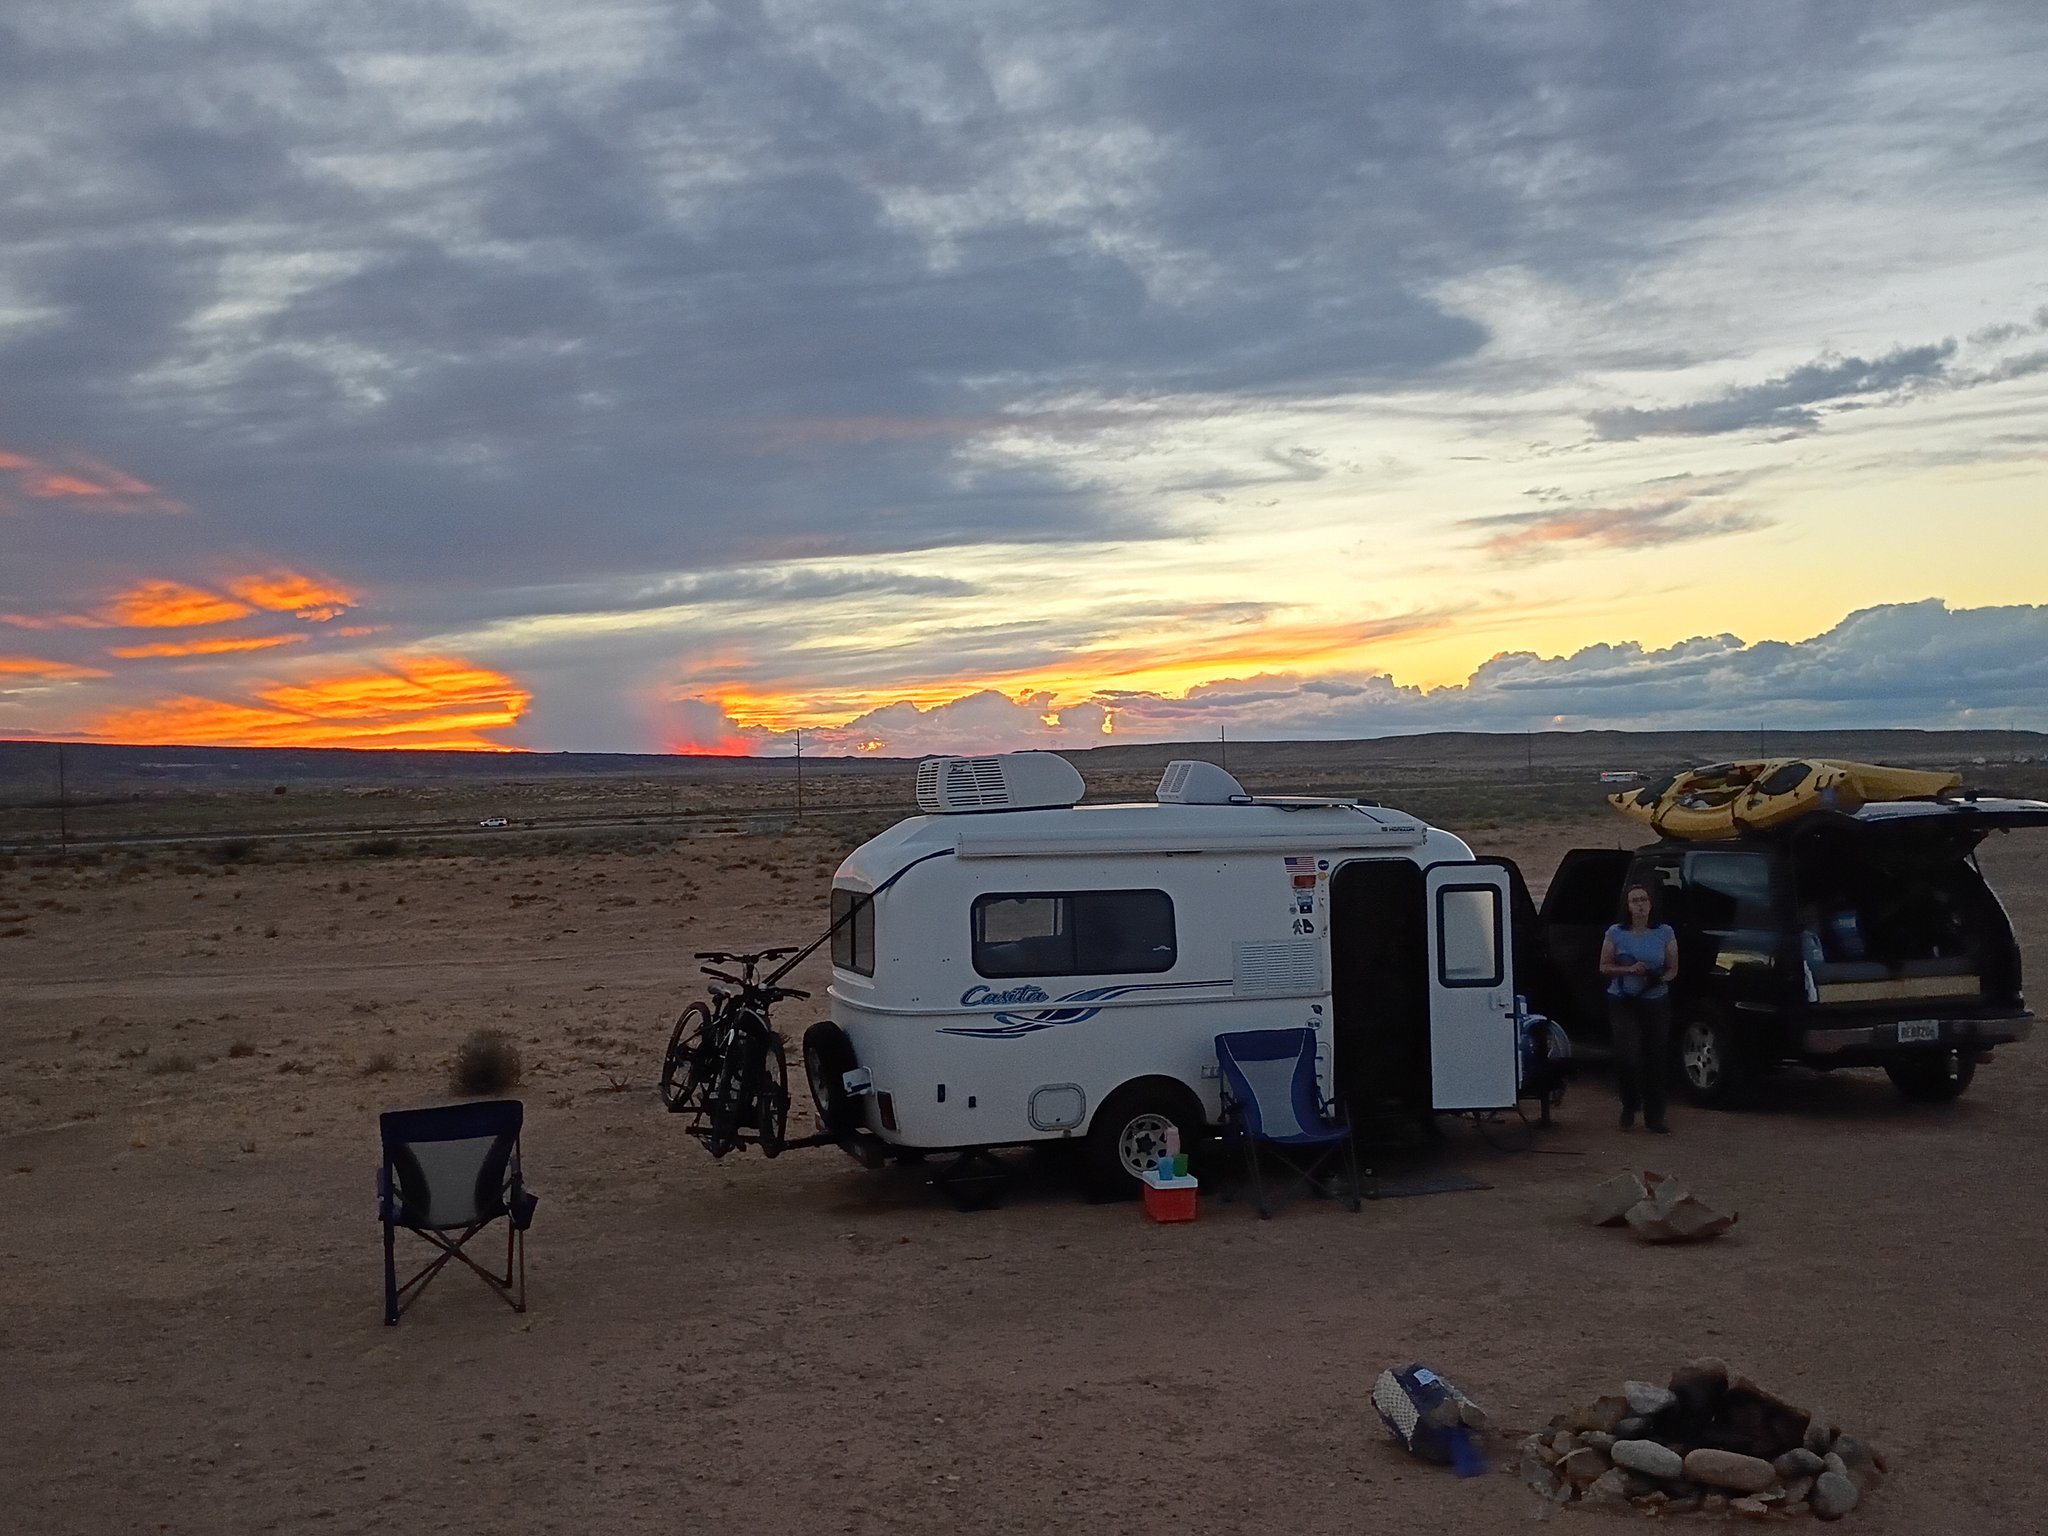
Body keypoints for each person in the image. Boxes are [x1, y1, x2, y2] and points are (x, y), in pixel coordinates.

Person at [1601, 882, 1678, 1133]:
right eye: (1635, 900)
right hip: (1623, 1001)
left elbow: (1672, 969)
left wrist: (1657, 978)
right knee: (1628, 1057)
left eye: (1644, 899)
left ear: (1651, 904)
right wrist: (1629, 970)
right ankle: (1630, 1104)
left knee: (1656, 1060)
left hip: (1655, 1002)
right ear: (1628, 905)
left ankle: (1655, 1117)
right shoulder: (1615, 933)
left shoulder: (1665, 932)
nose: (1640, 905)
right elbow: (1604, 966)